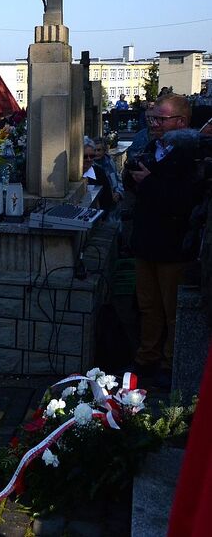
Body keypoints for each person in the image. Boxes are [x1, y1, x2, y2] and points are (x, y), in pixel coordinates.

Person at [124, 94, 202, 388]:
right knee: (147, 306)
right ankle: (147, 357)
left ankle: (169, 364)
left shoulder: (192, 155)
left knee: (172, 311)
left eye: (161, 119)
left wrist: (148, 182)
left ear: (180, 122)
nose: (154, 124)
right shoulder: (152, 146)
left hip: (173, 246)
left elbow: (184, 201)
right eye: (152, 118)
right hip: (146, 241)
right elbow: (136, 185)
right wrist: (131, 175)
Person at [82, 138, 116, 213]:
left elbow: (107, 200)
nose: (88, 159)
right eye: (85, 156)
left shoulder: (99, 172)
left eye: (91, 156)